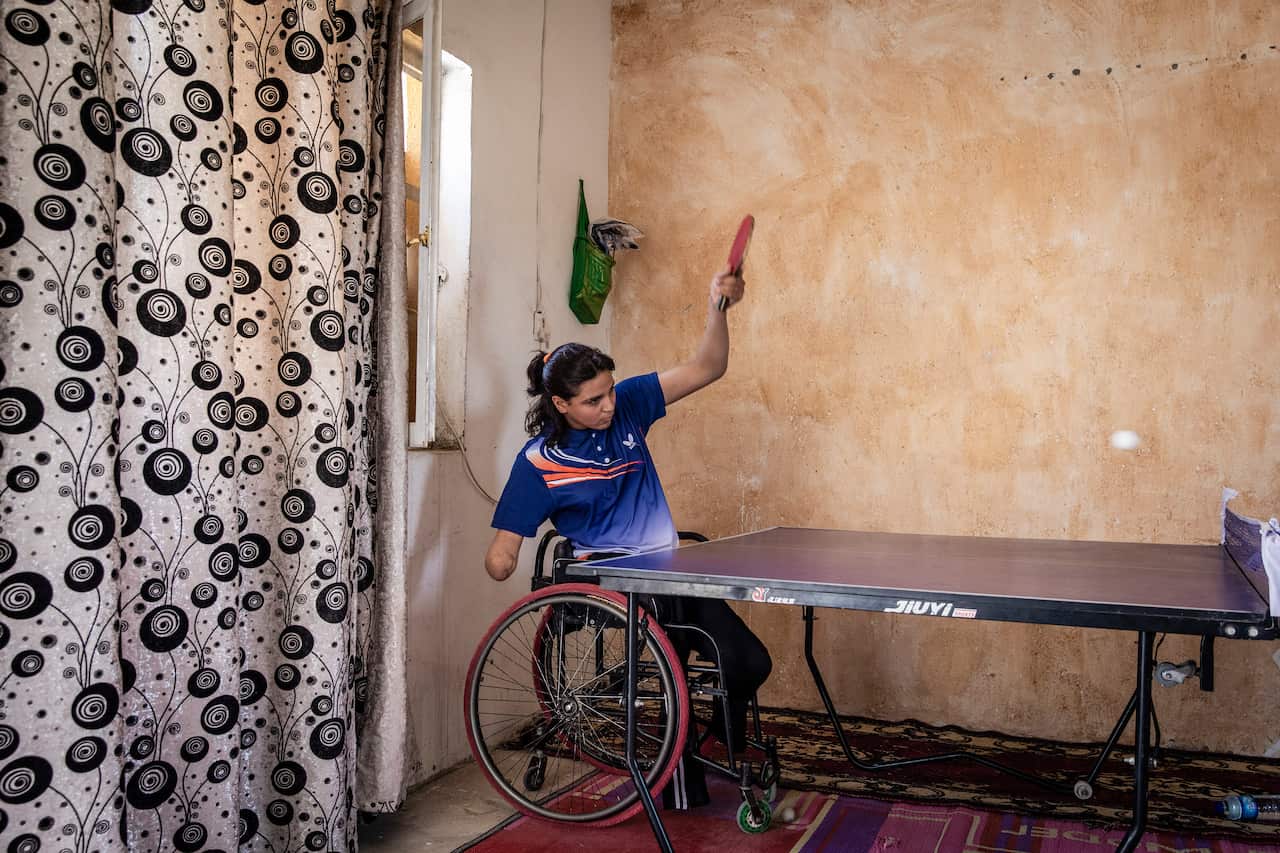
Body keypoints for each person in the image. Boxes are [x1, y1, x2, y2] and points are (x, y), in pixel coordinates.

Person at [484, 265, 772, 810]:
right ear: (561, 406)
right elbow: (501, 556)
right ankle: (683, 764)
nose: (609, 405)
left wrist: (717, 305)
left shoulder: (631, 408)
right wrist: (502, 561)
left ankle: (712, 743)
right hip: (615, 584)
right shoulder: (538, 464)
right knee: (679, 674)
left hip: (670, 568)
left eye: (610, 392)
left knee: (751, 662)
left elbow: (709, 365)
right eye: (594, 401)